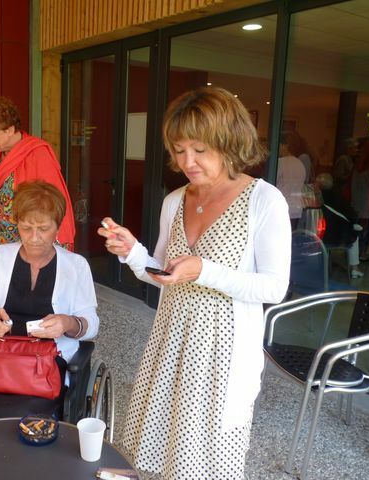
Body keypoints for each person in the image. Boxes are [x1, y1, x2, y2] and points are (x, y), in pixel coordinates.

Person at [98, 86, 290, 479]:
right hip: (169, 343)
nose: (188, 161)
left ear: (229, 141)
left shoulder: (263, 200)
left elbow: (274, 287)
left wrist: (205, 270)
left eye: (200, 149)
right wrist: (132, 251)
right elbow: (164, 275)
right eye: (179, 149)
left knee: (211, 462)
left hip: (223, 355)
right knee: (165, 449)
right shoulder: (175, 200)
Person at [0, 180, 98, 366]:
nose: (34, 238)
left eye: (43, 228)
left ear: (58, 227)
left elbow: (92, 325)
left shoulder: (76, 266)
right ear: (17, 225)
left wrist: (68, 323)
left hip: (50, 363)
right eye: (26, 228)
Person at [0, 96, 76, 250]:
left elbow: (54, 199)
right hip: (4, 236)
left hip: (31, 239)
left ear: (10, 130)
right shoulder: (1, 153)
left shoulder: (38, 153)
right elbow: (4, 193)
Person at [316, 173, 364, 278]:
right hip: (339, 236)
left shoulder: (318, 198)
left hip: (322, 236)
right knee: (354, 237)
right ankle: (354, 269)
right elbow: (350, 214)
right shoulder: (337, 197)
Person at [277, 131, 307, 229]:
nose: (278, 147)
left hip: (281, 208)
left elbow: (272, 183)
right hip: (296, 209)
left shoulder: (280, 162)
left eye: (280, 144)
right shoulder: (300, 163)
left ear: (286, 145)